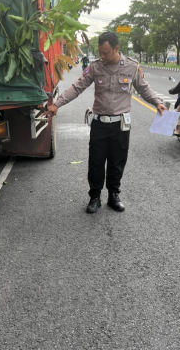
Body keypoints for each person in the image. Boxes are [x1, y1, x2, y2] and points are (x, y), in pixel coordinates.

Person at [44, 32, 167, 214]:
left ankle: (113, 195)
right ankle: (94, 197)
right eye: (100, 52)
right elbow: (77, 87)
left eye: (105, 52)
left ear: (116, 49)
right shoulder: (95, 67)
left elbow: (144, 88)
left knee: (117, 162)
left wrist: (157, 103)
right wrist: (57, 104)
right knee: (96, 162)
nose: (101, 56)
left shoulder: (132, 67)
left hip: (120, 125)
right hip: (99, 124)